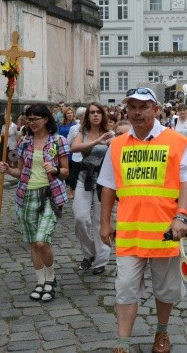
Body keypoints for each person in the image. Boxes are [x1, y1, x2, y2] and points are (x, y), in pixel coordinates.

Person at [98, 87, 187, 353]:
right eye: (133, 107)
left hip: (165, 232)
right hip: (129, 232)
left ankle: (162, 333)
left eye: (143, 107)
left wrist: (182, 216)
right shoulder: (117, 145)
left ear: (156, 109)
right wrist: (104, 222)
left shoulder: (176, 141)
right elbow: (108, 186)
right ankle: (123, 343)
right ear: (126, 110)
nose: (137, 112)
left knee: (165, 290)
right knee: (125, 287)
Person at [0, 103, 70, 302]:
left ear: (45, 119)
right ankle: (41, 282)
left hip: (50, 194)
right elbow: (20, 172)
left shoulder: (59, 141)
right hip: (26, 194)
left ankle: (51, 278)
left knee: (42, 240)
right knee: (33, 243)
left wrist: (54, 169)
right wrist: (7, 170)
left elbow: (66, 172)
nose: (31, 123)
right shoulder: (24, 142)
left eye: (35, 119)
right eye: (29, 119)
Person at [71, 102, 114, 276]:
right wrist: (97, 141)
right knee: (80, 218)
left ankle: (101, 260)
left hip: (104, 181)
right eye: (92, 112)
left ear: (103, 115)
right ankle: (89, 253)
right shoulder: (83, 133)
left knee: (100, 221)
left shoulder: (110, 133)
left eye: (98, 112)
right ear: (87, 116)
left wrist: (111, 142)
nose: (95, 115)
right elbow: (74, 147)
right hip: (84, 178)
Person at [59, 106, 79, 199]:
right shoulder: (61, 125)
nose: (70, 115)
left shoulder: (76, 125)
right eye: (68, 113)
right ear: (65, 115)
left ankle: (72, 190)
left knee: (72, 171)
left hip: (72, 149)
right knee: (63, 169)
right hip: (62, 148)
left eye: (71, 113)